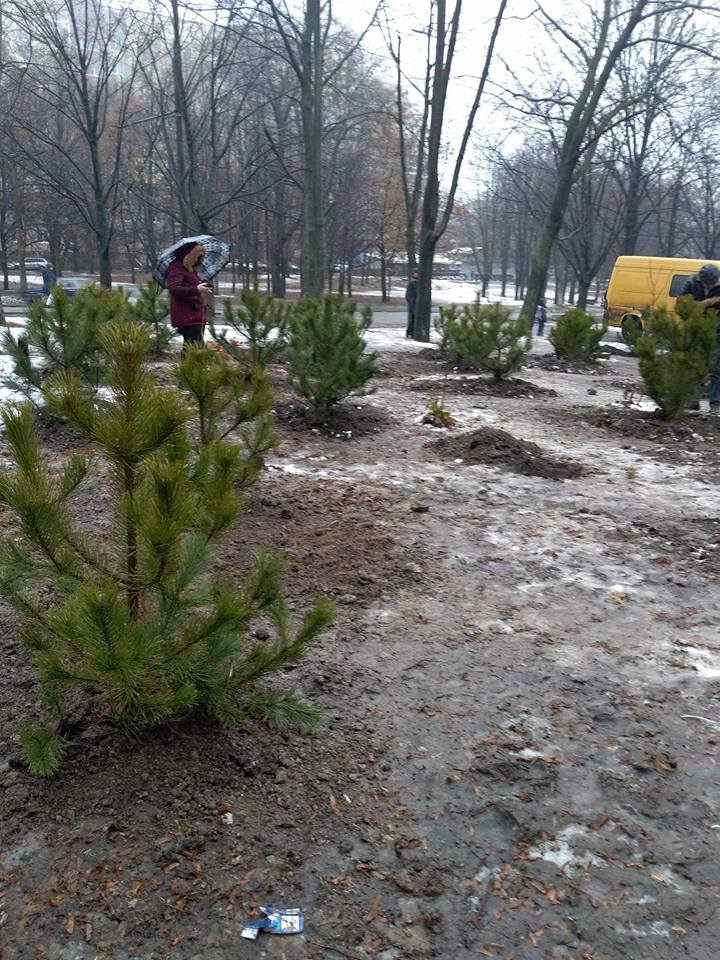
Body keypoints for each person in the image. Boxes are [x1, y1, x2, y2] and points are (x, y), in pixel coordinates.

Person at [681, 263, 720, 415]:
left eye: (712, 285)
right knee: (694, 367)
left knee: (716, 370)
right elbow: (681, 304)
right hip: (696, 330)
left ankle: (715, 404)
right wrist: (705, 303)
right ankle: (692, 401)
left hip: (716, 332)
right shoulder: (691, 283)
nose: (709, 287)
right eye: (706, 284)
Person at [166, 243, 213, 350]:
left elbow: (190, 285)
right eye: (196, 256)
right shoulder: (176, 268)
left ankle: (187, 367)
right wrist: (196, 289)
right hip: (186, 315)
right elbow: (174, 289)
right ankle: (190, 367)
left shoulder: (189, 269)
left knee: (191, 348)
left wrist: (202, 286)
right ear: (189, 256)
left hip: (194, 314)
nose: (197, 260)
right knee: (195, 348)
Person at [405, 270, 418, 339]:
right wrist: (411, 302)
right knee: (413, 319)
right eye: (416, 273)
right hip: (413, 303)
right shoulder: (413, 282)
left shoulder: (415, 282)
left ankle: (410, 332)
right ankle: (410, 332)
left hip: (413, 303)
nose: (417, 274)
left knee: (413, 319)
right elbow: (408, 295)